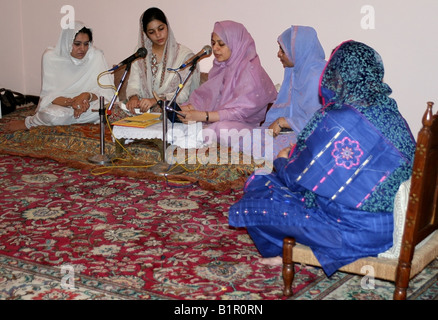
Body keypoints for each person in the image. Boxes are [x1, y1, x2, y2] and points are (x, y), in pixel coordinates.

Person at [228, 41, 417, 276]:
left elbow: (297, 179)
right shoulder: (389, 110)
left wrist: (281, 160)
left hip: (353, 232)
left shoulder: (338, 118)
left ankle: (286, 253)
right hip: (398, 224)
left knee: (259, 188)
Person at [178, 20, 277, 147]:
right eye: (213, 43)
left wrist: (203, 116)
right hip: (221, 121)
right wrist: (185, 109)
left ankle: (195, 138)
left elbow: (239, 113)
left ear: (236, 44)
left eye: (221, 44)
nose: (215, 48)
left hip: (248, 125)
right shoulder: (222, 67)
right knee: (184, 123)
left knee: (221, 129)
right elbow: (208, 99)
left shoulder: (250, 71)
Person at [4, 21, 114, 132]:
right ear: (67, 41)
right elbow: (50, 96)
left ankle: (74, 117)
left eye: (86, 44)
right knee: (51, 115)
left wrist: (86, 96)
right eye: (77, 44)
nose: (83, 49)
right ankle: (29, 123)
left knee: (109, 109)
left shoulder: (96, 56)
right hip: (63, 106)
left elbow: (107, 93)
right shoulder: (51, 57)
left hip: (88, 105)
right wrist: (73, 102)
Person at [246, 26, 326, 161]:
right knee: (247, 139)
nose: (278, 54)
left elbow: (320, 122)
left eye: (282, 50)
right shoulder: (295, 70)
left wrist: (283, 122)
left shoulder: (316, 76)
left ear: (299, 50)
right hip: (291, 129)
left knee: (267, 150)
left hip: (313, 136)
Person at [125, 7, 200, 114]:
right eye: (151, 32)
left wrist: (155, 100)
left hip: (168, 105)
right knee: (113, 111)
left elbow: (182, 95)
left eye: (161, 29)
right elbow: (133, 84)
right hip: (142, 106)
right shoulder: (141, 52)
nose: (158, 35)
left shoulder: (185, 56)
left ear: (167, 26)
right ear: (146, 34)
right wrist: (133, 98)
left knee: (163, 111)